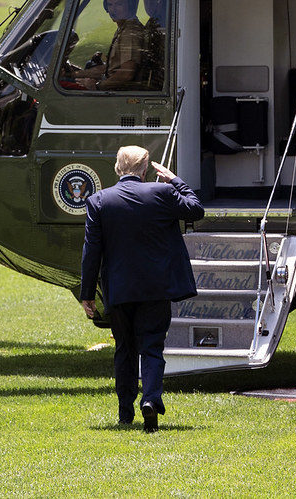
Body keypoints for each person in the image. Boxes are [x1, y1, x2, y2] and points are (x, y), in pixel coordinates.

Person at [80, 146, 205, 431]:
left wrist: (87, 294)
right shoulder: (161, 194)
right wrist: (175, 179)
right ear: (146, 168)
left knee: (124, 349)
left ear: (117, 167)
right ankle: (150, 400)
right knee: (151, 347)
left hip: (119, 289)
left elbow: (91, 252)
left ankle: (125, 412)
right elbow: (196, 209)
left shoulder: (99, 200)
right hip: (156, 287)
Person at [71, 0, 146, 90]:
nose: (113, 10)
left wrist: (97, 87)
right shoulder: (123, 28)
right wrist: (74, 74)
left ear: (130, 5)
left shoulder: (130, 33)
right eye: (110, 5)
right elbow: (109, 69)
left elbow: (126, 74)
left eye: (119, 4)